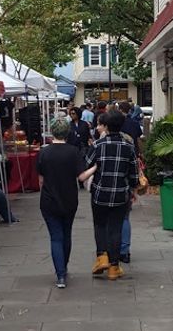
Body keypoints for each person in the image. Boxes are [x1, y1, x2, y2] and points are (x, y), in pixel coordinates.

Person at [37, 118, 96, 288]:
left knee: (55, 237)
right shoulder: (73, 152)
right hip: (69, 199)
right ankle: (64, 265)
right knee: (66, 233)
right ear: (67, 133)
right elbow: (81, 177)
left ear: (52, 132)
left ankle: (60, 274)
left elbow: (41, 179)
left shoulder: (44, 152)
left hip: (48, 200)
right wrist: (95, 167)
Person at [86, 110, 139, 280]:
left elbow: (87, 165)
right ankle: (114, 267)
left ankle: (102, 258)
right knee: (116, 228)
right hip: (120, 194)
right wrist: (132, 188)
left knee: (100, 225)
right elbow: (134, 174)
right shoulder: (128, 147)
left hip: (100, 192)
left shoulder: (98, 145)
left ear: (106, 126)